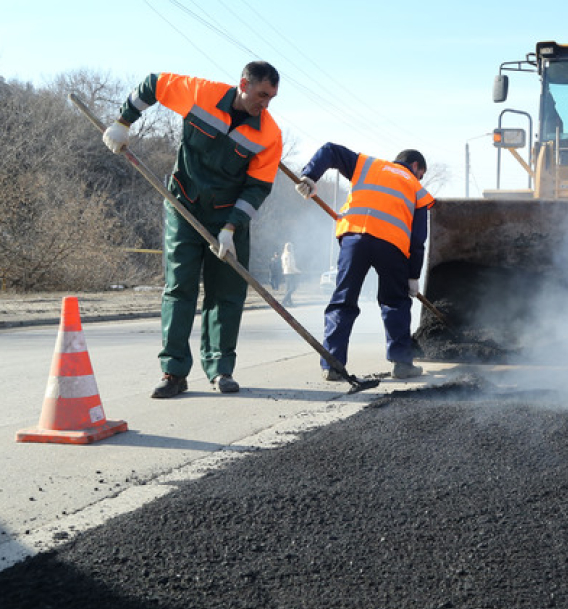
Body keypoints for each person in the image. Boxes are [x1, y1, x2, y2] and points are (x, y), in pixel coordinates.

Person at [102, 61, 283, 398]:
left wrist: (230, 228)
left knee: (227, 294)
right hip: (183, 204)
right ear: (243, 84)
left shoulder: (269, 134)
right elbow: (153, 84)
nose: (265, 104)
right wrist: (123, 121)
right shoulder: (201, 94)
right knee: (179, 287)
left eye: (271, 98)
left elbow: (257, 188)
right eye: (262, 94)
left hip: (228, 218)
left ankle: (220, 370)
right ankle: (173, 373)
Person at [295, 144, 435, 380]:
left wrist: (310, 175)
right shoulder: (417, 188)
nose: (419, 178)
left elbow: (330, 150)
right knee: (395, 302)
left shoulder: (368, 164)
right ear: (415, 167)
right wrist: (413, 276)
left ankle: (332, 364)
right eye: (421, 174)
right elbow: (418, 238)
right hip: (392, 247)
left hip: (355, 239)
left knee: (343, 300)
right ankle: (402, 364)